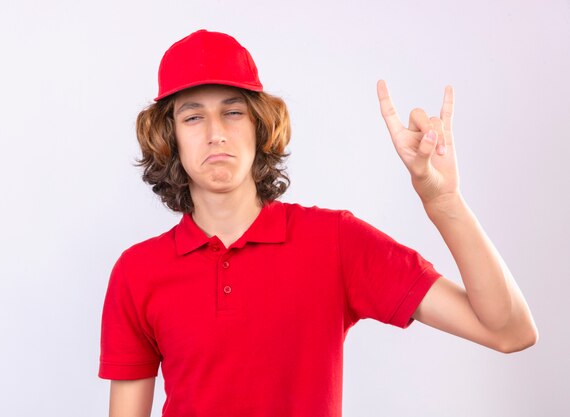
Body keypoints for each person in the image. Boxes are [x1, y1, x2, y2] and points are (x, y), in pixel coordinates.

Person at [98, 29, 538, 417]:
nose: (216, 132)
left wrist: (444, 201)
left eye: (233, 112)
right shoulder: (137, 273)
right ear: (168, 136)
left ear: (260, 126)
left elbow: (509, 332)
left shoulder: (336, 242)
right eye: (193, 116)